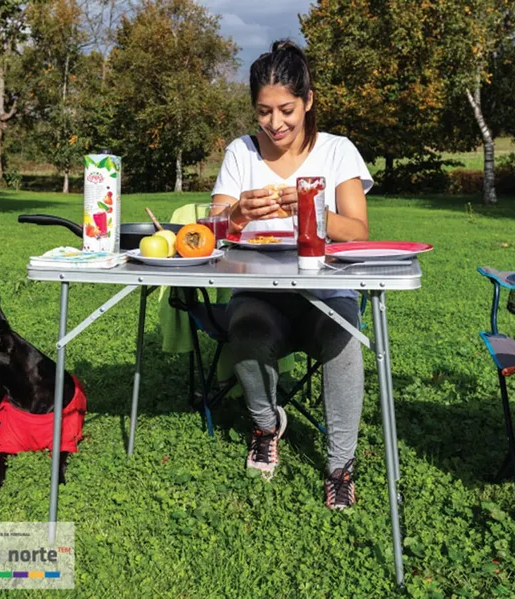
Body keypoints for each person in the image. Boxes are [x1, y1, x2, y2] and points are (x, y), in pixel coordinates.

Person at [211, 39, 374, 509]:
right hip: (259, 294)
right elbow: (211, 231)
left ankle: (340, 466)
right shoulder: (241, 153)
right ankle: (267, 426)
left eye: (286, 110)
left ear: (308, 101)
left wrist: (313, 211)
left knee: (345, 341)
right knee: (246, 329)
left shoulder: (337, 151)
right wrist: (237, 213)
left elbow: (359, 232)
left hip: (326, 294)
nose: (275, 123)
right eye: (264, 112)